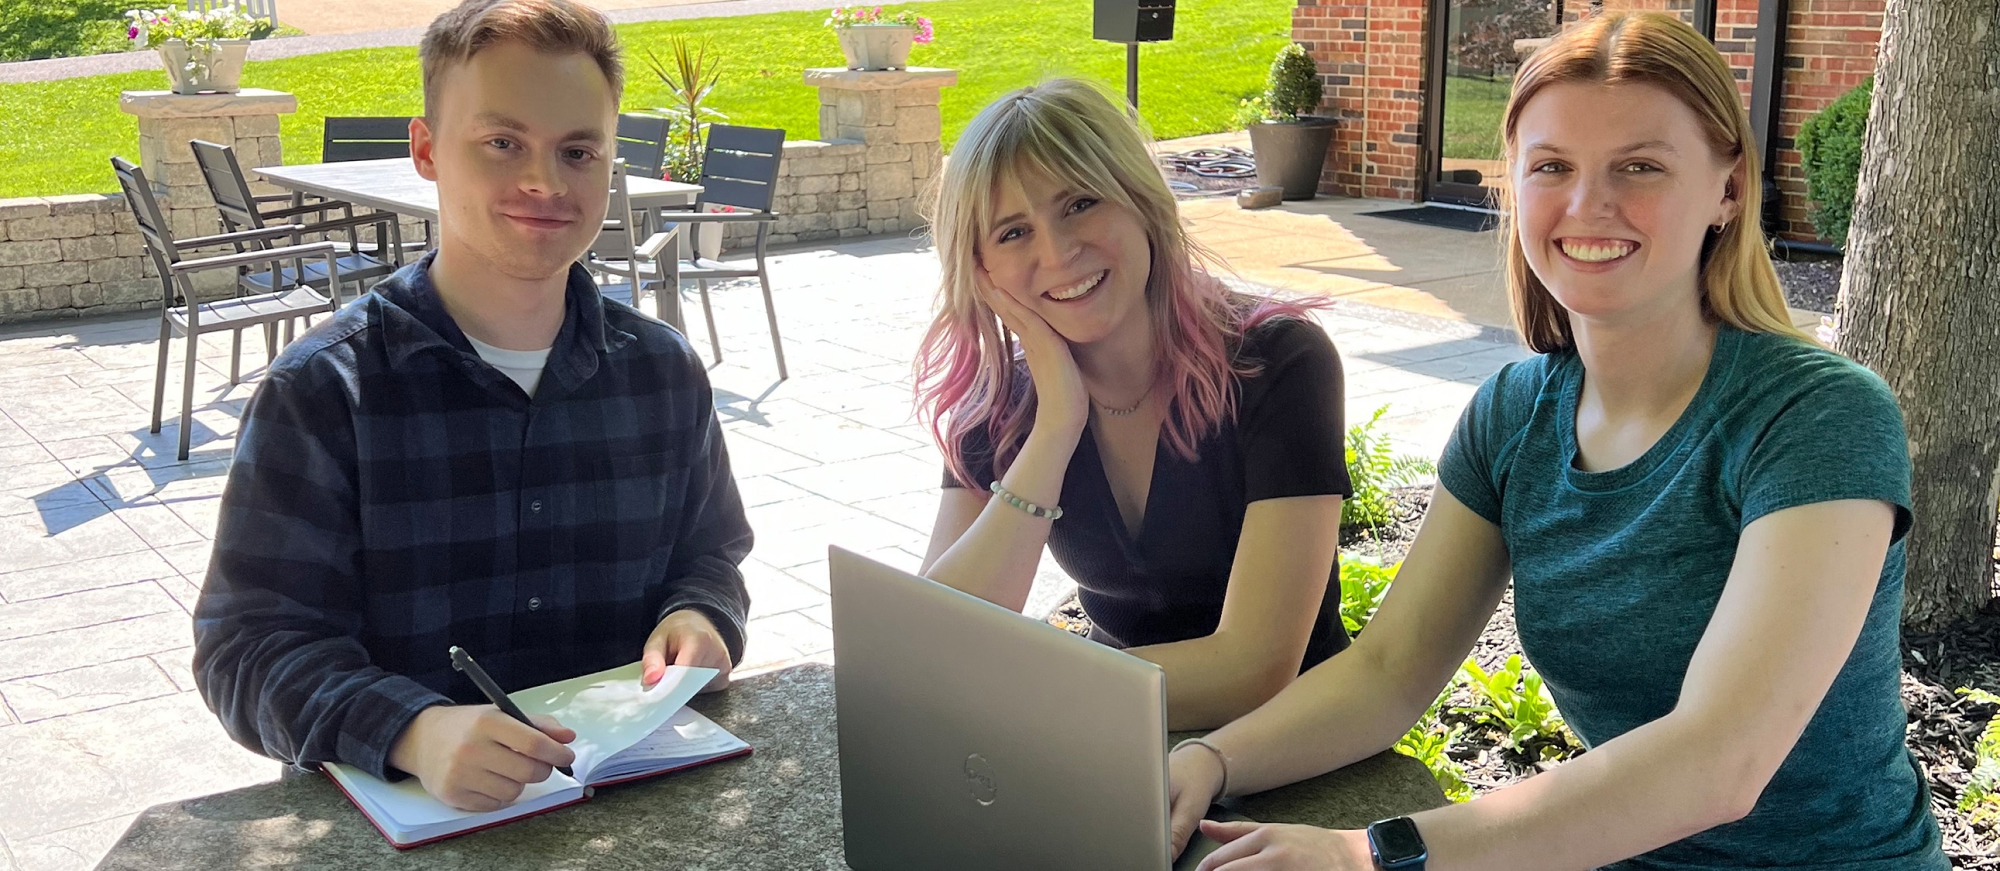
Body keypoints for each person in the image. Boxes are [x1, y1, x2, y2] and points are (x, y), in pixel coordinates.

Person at [1165, 12, 1948, 870]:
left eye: (1639, 166)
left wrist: (1369, 855)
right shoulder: (1514, 414)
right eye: (1553, 167)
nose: (1588, 205)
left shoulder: (1817, 417)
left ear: (1729, 188)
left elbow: (1717, 764)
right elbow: (1387, 671)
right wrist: (1210, 758)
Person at [192, 0, 752, 814]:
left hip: (630, 806)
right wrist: (410, 730)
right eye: (502, 143)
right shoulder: (324, 391)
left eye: (578, 150)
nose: (545, 181)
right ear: (426, 151)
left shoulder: (662, 371)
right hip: (408, 823)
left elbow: (711, 552)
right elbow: (246, 649)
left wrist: (702, 616)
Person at [914, 79, 1352, 731]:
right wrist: (1056, 424)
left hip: (1291, 751)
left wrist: (1035, 691)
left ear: (1142, 202)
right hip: (1115, 737)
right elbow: (936, 641)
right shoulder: (1000, 405)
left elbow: (1254, 667)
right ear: (980, 272)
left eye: (1080, 203)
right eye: (1012, 232)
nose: (1057, 253)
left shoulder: (1276, 363)